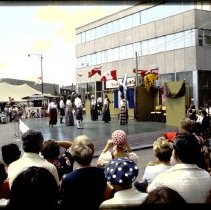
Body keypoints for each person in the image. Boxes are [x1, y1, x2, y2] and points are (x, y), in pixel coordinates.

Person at [147, 133, 211, 203]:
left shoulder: (162, 179)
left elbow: (149, 192)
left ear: (175, 154)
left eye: (173, 150)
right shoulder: (208, 177)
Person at [59, 135, 108, 210]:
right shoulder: (103, 172)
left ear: (73, 155)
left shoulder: (68, 178)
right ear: (93, 151)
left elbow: (65, 202)